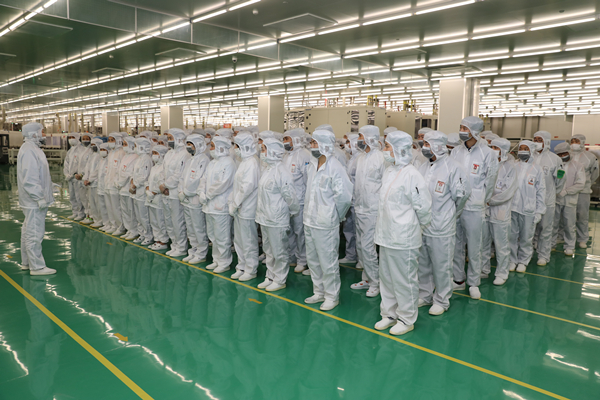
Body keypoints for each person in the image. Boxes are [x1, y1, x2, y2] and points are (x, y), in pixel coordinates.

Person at [374, 131, 432, 335]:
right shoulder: (389, 171)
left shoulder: (412, 174)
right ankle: (389, 314)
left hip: (403, 237)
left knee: (404, 280)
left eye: (387, 147)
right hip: (386, 235)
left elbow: (424, 208)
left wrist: (415, 229)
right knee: (387, 278)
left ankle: (407, 319)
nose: (384, 150)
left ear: (399, 149)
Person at [417, 131, 470, 315]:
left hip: (442, 226)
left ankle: (442, 299)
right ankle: (425, 295)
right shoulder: (424, 167)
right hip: (424, 225)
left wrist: (450, 215)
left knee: (441, 265)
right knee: (423, 263)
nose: (424, 147)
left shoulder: (453, 168)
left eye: (427, 144)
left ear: (438, 146)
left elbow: (461, 197)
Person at [303, 130, 353, 311]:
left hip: (326, 223)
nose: (312, 146)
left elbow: (344, 198)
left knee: (328, 261)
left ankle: (332, 296)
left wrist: (335, 216)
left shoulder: (335, 167)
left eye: (315, 143)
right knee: (313, 260)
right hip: (309, 220)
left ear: (325, 145)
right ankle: (318, 291)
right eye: (312, 143)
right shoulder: (312, 164)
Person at [450, 116, 499, 299]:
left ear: (475, 131)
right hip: (456, 205)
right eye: (461, 127)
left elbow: (490, 180)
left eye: (465, 128)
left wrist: (482, 200)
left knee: (474, 246)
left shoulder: (488, 153)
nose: (461, 131)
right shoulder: (455, 151)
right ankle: (458, 279)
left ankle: (473, 282)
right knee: (456, 244)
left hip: (475, 206)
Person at [256, 138, 300, 291]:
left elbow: (290, 196)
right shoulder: (268, 169)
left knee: (279, 251)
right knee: (268, 250)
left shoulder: (282, 172)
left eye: (264, 149)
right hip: (265, 217)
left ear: (273, 151)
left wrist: (291, 212)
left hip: (276, 218)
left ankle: (280, 279)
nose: (262, 152)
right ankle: (270, 276)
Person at [350, 125, 386, 297]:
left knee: (367, 247)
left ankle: (375, 282)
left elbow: (385, 185)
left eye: (361, 136)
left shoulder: (381, 158)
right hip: (360, 207)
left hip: (373, 209)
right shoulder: (361, 158)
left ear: (370, 138)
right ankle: (367, 278)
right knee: (360, 246)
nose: (359, 140)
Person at [17, 122, 56, 275]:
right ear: (34, 134)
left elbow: (40, 174)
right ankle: (37, 267)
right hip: (34, 201)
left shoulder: (33, 149)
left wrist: (50, 187)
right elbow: (30, 178)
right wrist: (39, 197)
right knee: (34, 233)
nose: (44, 135)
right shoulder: (29, 150)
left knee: (28, 231)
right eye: (42, 132)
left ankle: (27, 262)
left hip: (33, 200)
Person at [481, 138, 517, 286]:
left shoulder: (510, 168)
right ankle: (484, 269)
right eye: (491, 147)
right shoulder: (487, 164)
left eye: (496, 148)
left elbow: (507, 192)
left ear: (504, 150)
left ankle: (502, 273)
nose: (492, 150)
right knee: (484, 243)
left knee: (501, 245)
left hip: (500, 211)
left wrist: (489, 201)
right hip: (485, 209)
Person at [199, 136, 236, 273]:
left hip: (220, 205)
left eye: (213, 146)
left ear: (221, 147)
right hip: (209, 206)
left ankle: (224, 262)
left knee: (222, 237)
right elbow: (203, 179)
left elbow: (222, 184)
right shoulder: (212, 163)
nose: (211, 149)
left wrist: (207, 195)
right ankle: (216, 260)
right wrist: (201, 192)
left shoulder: (229, 163)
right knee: (213, 235)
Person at [509, 140, 546, 273]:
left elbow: (541, 191)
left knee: (526, 237)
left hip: (528, 209)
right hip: (512, 208)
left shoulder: (537, 169)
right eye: (521, 148)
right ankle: (512, 260)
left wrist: (539, 211)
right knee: (511, 236)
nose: (522, 151)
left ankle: (523, 261)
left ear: (531, 151)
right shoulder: (513, 166)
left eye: (526, 149)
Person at [230, 133, 261, 280]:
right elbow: (237, 186)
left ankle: (251, 269)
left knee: (248, 241)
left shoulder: (252, 163)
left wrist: (235, 203)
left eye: (236, 146)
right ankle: (241, 266)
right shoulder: (243, 162)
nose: (235, 149)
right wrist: (234, 203)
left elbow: (247, 187)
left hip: (248, 208)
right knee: (239, 240)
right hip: (240, 208)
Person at [532, 131, 565, 265]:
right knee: (528, 229)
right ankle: (526, 255)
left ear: (546, 141)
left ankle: (543, 256)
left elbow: (561, 177)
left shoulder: (555, 159)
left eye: (539, 139)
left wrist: (553, 192)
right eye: (534, 139)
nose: (536, 142)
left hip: (547, 200)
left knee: (545, 229)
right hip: (529, 201)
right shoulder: (529, 156)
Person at [282, 128, 311, 273]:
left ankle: (302, 259)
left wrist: (307, 201)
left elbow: (307, 181)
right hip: (288, 200)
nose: (284, 142)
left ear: (296, 139)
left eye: (286, 139)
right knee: (290, 231)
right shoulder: (286, 156)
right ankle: (292, 256)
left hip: (300, 201)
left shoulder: (304, 155)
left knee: (300, 232)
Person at [178, 134, 210, 264]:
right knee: (190, 228)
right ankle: (193, 250)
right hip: (186, 200)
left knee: (198, 228)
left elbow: (198, 179)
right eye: (187, 144)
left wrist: (186, 192)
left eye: (190, 144)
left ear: (198, 145)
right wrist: (181, 191)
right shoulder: (190, 159)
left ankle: (201, 253)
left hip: (195, 199)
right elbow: (182, 177)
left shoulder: (203, 159)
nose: (188, 147)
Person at [159, 129, 190, 257]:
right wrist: (162, 184)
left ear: (178, 139)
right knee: (169, 221)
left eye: (171, 138)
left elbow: (179, 174)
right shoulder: (169, 153)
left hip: (175, 193)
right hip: (166, 192)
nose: (169, 141)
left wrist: (166, 185)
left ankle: (181, 247)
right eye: (168, 138)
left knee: (178, 221)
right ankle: (174, 244)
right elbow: (163, 170)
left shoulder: (185, 154)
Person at [553, 143, 586, 256]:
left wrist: (566, 191)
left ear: (569, 152)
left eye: (564, 153)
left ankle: (569, 246)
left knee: (569, 225)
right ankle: (551, 244)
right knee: (553, 224)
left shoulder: (578, 166)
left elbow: (580, 184)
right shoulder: (555, 165)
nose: (562, 156)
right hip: (555, 199)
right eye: (560, 154)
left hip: (570, 200)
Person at [569, 134, 599, 248]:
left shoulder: (590, 157)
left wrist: (587, 184)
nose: (574, 144)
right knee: (566, 215)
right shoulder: (567, 155)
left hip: (583, 191)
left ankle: (582, 239)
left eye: (576, 141)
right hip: (568, 190)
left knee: (582, 215)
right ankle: (563, 237)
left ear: (582, 142)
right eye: (572, 141)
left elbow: (595, 173)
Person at [339, 133, 360, 266]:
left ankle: (360, 257)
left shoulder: (360, 159)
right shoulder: (351, 158)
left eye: (348, 142)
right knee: (348, 229)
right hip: (350, 199)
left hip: (358, 201)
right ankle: (351, 255)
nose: (346, 145)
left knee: (358, 231)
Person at [130, 138, 153, 245]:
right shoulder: (139, 159)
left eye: (136, 146)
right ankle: (142, 234)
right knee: (138, 215)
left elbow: (144, 176)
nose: (134, 148)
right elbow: (134, 173)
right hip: (136, 192)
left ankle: (148, 236)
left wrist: (135, 185)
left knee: (144, 216)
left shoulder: (146, 159)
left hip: (142, 192)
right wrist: (132, 183)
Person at [146, 145, 170, 250]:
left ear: (162, 155)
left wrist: (153, 192)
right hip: (150, 197)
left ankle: (163, 241)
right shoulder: (154, 167)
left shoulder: (163, 167)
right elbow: (149, 180)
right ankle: (157, 240)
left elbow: (161, 183)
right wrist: (147, 190)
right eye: (153, 153)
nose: (154, 155)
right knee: (154, 221)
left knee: (160, 220)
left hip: (158, 197)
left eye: (156, 153)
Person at [115, 136, 139, 239]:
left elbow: (128, 173)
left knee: (131, 211)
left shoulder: (135, 157)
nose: (124, 146)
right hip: (122, 189)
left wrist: (120, 183)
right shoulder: (125, 156)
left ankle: (134, 230)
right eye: (123, 144)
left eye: (125, 144)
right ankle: (129, 229)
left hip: (128, 188)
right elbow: (119, 171)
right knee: (124, 211)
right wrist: (117, 182)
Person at [104, 132, 126, 235]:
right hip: (108, 184)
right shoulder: (111, 153)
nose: (110, 142)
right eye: (109, 140)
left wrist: (117, 182)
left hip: (115, 186)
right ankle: (113, 225)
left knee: (117, 208)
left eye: (112, 140)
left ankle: (120, 227)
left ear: (118, 141)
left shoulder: (121, 152)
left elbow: (121, 170)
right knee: (110, 207)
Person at [63, 132, 86, 220]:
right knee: (72, 196)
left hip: (77, 178)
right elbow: (66, 164)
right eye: (70, 137)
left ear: (77, 138)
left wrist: (76, 174)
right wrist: (67, 174)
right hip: (70, 178)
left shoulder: (82, 150)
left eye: (73, 137)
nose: (71, 139)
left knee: (79, 196)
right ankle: (75, 212)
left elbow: (82, 164)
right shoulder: (70, 151)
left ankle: (81, 213)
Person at [83, 138, 104, 227]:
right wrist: (85, 178)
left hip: (96, 183)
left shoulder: (100, 156)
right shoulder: (91, 156)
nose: (93, 146)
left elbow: (97, 170)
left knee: (98, 203)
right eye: (91, 145)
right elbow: (87, 168)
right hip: (89, 183)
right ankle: (95, 219)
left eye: (94, 145)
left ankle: (100, 220)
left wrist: (90, 179)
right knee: (91, 203)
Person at [74, 133, 93, 224]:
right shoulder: (81, 150)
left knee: (88, 199)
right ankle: (86, 214)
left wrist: (82, 174)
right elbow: (78, 164)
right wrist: (76, 174)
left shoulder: (91, 151)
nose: (85, 140)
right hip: (80, 178)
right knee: (82, 198)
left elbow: (88, 166)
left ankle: (90, 216)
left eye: (87, 138)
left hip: (86, 178)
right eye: (83, 138)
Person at [96, 143, 112, 232]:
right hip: (100, 187)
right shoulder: (101, 160)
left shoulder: (109, 161)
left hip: (107, 187)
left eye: (104, 150)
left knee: (108, 207)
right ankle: (106, 223)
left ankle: (110, 224)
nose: (102, 151)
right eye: (101, 150)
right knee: (102, 206)